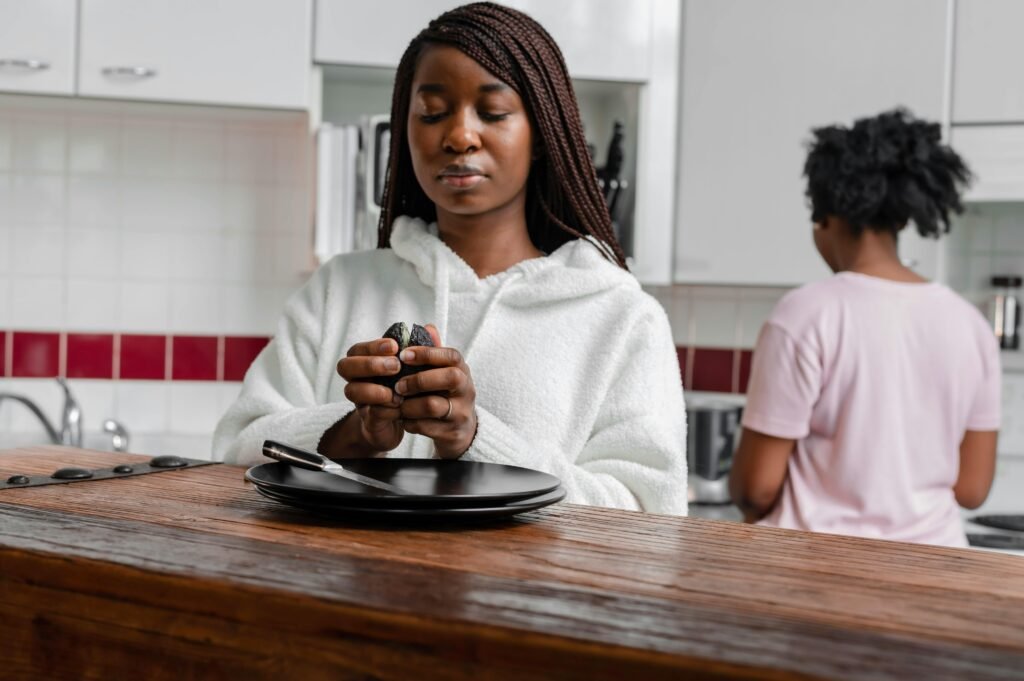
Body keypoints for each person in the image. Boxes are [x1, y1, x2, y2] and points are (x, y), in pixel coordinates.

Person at [212, 2, 688, 514]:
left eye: (493, 112)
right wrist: (354, 433)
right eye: (432, 113)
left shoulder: (621, 317)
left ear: (542, 135)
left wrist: (475, 440)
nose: (459, 136)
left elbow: (651, 515)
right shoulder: (338, 290)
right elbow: (233, 453)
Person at [729, 109, 999, 547]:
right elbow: (972, 489)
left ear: (825, 216)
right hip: (937, 573)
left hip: (818, 572)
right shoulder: (970, 324)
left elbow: (755, 489)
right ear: (903, 217)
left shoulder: (805, 313)